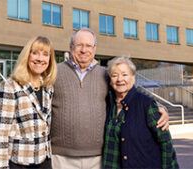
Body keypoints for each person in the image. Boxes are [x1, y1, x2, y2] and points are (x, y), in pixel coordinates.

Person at [51, 28, 170, 169]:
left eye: (88, 46)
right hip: (61, 157)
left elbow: (127, 92)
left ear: (94, 49)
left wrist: (159, 107)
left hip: (97, 157)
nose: (84, 50)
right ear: (71, 47)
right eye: (79, 45)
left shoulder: (105, 74)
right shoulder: (54, 71)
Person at [0, 36, 57, 169]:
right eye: (35, 53)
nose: (40, 58)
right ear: (27, 56)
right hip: (19, 163)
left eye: (45, 54)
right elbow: (1, 135)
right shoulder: (9, 86)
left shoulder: (48, 88)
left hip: (45, 161)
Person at [103, 56, 179, 169]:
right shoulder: (108, 104)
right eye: (114, 75)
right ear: (110, 81)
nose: (119, 79)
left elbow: (166, 142)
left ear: (133, 78)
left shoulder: (146, 104)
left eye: (124, 74)